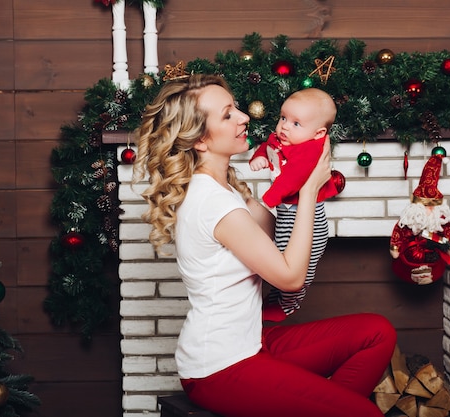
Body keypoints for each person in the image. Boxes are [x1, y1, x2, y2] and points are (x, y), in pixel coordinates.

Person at [133, 73, 396, 417]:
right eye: (227, 114)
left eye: (237, 108)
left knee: (376, 333)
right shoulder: (214, 202)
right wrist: (309, 191)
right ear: (200, 140)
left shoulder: (223, 188)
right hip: (220, 366)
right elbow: (290, 277)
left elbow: (267, 232)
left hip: (251, 343)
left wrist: (290, 175)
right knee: (367, 414)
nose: (244, 117)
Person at [249, 88, 341, 322]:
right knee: (280, 256)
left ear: (318, 133)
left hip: (305, 215)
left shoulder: (310, 149)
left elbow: (294, 178)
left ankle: (289, 305)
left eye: (296, 123)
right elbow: (268, 146)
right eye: (283, 118)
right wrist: (258, 156)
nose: (285, 126)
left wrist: (270, 198)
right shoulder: (283, 139)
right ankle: (277, 299)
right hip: (288, 213)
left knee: (299, 267)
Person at [390, 154, 450, 285]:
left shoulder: (442, 221)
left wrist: (449, 246)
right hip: (410, 254)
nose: (429, 209)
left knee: (432, 258)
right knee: (412, 255)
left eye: (432, 205)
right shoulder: (409, 218)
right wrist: (395, 248)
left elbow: (449, 234)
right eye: (425, 205)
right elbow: (398, 232)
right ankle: (417, 275)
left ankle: (425, 275)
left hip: (433, 253)